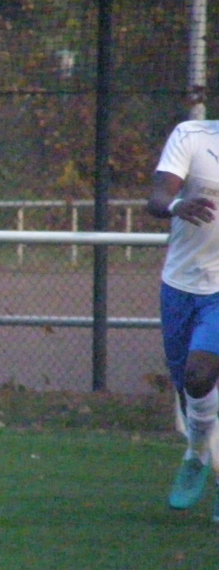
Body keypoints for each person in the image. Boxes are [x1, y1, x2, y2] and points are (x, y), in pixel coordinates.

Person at [147, 119, 219, 518]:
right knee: (189, 389)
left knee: (200, 373)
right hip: (179, 285)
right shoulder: (192, 136)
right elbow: (158, 197)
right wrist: (177, 205)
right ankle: (196, 453)